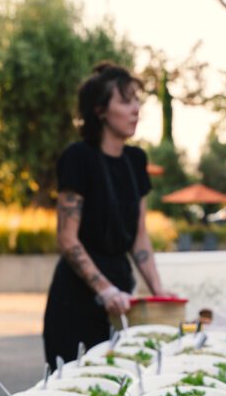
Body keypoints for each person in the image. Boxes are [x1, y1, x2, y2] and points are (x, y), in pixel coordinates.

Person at [43, 62, 171, 367]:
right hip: (75, 301)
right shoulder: (78, 157)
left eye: (137, 101)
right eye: (126, 101)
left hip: (122, 298)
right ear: (100, 110)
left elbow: (139, 237)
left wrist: (159, 293)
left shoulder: (136, 160)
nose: (136, 109)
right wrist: (104, 289)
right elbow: (67, 238)